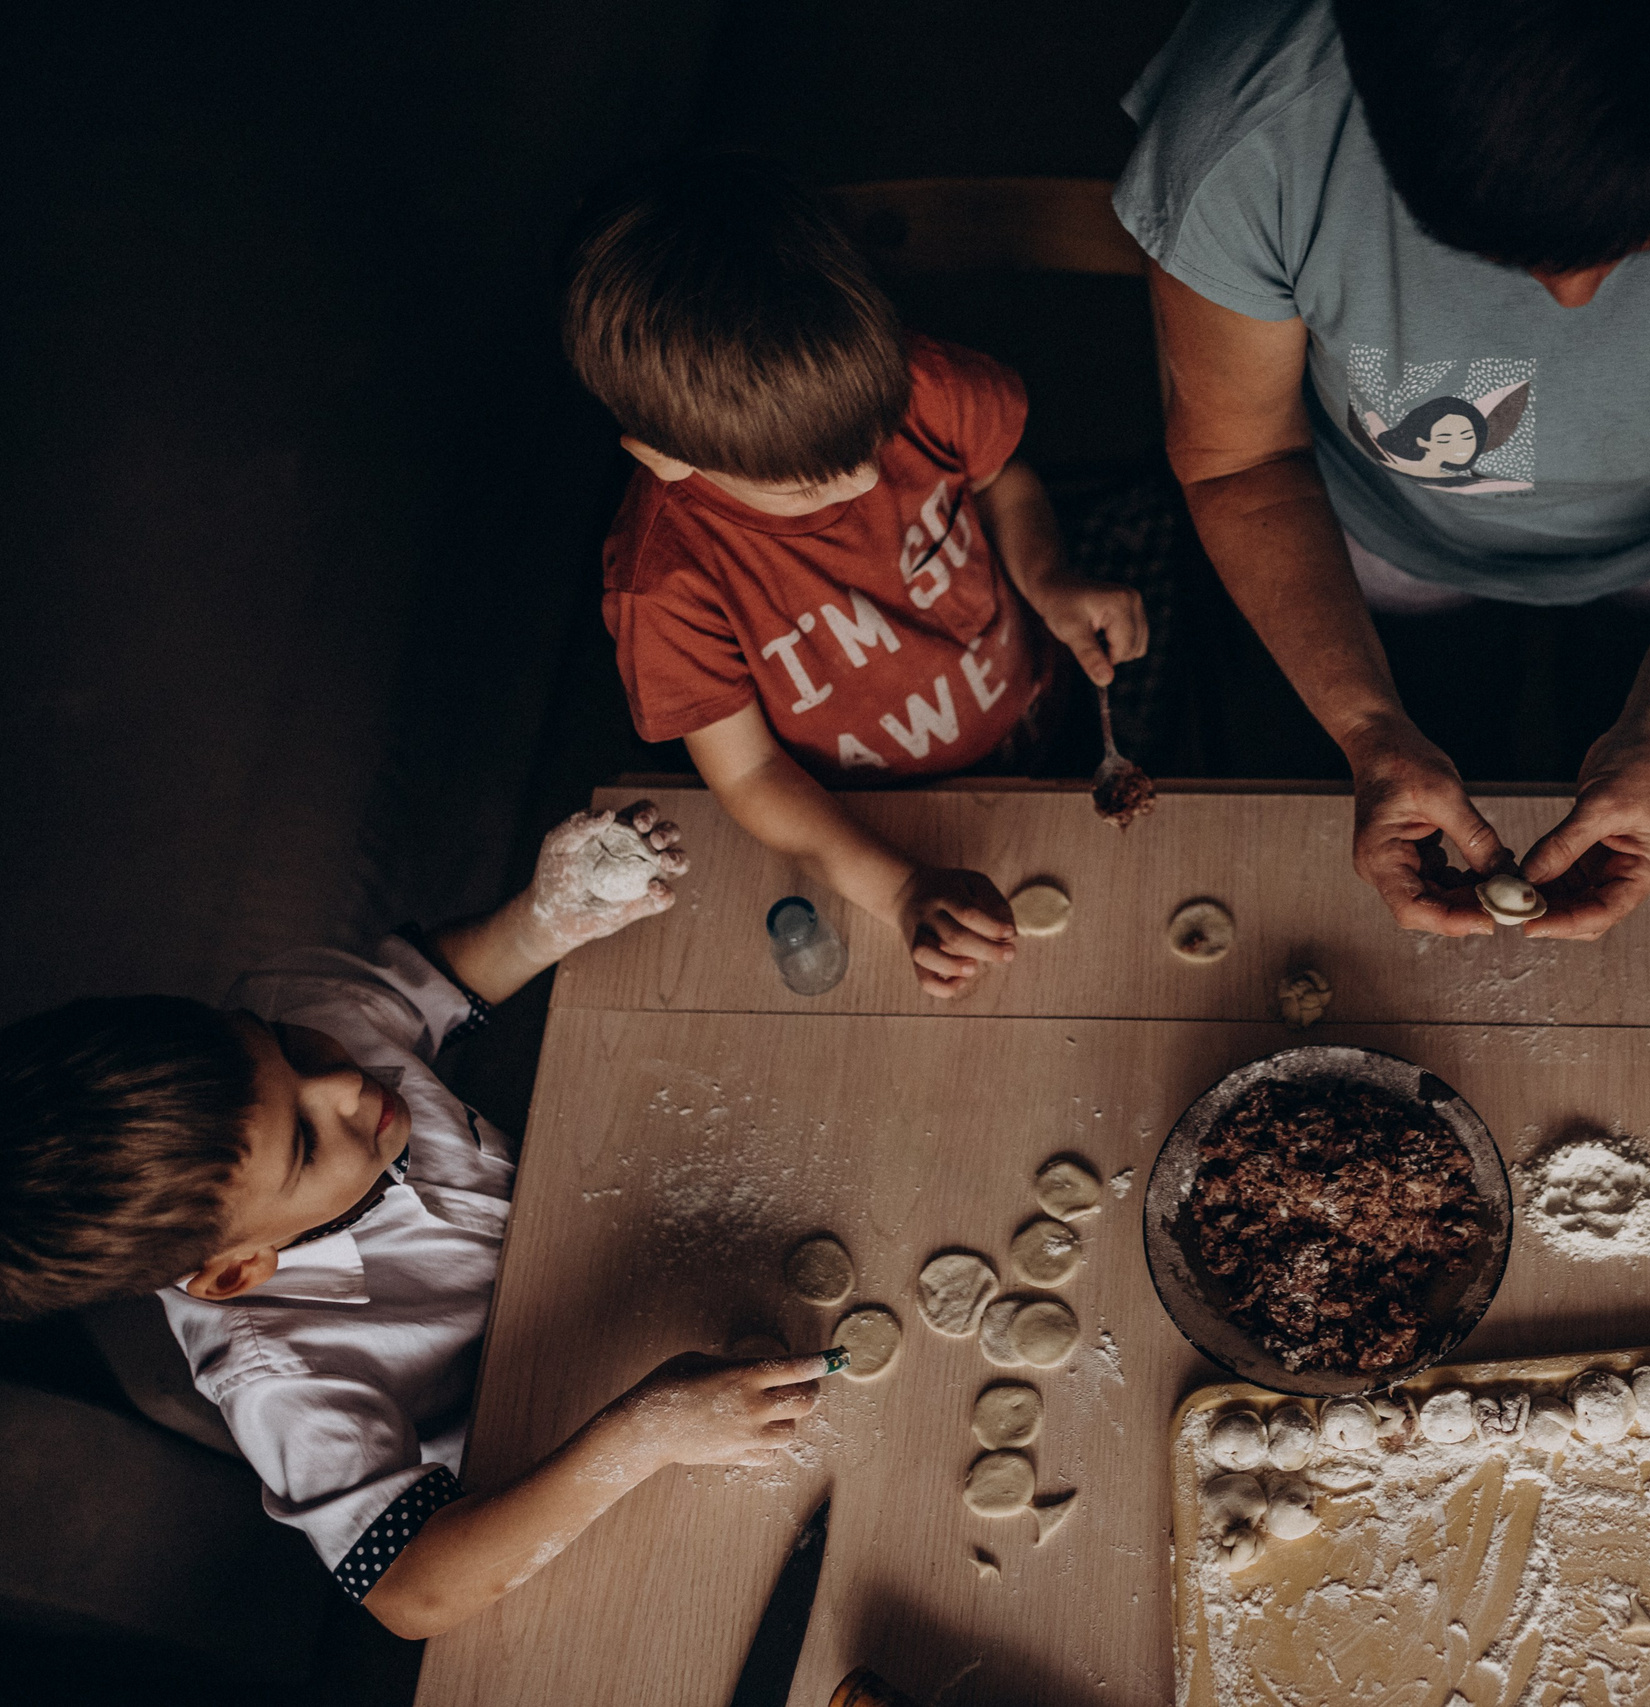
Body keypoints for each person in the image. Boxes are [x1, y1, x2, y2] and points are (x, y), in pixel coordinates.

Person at [1115, 0, 1650, 939]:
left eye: (1639, 236)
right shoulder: (1247, 130)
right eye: (1496, 249)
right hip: (1381, 544)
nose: (1571, 298)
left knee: (1613, 709)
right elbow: (1242, 457)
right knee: (1446, 703)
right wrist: (1368, 726)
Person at [0, 804, 828, 1638]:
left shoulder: (293, 1004)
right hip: (565, 1447)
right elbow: (412, 1590)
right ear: (237, 1270)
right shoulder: (277, 1370)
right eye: (305, 1142)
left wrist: (542, 917)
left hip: (605, 1241)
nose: (345, 1086)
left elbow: (441, 977)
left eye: (285, 1046)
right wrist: (642, 1437)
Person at [564, 153, 1150, 998]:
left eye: (873, 439)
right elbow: (750, 775)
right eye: (807, 485)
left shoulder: (926, 384)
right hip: (868, 823)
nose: (869, 481)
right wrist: (898, 890)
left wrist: (1049, 576)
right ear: (667, 456)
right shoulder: (665, 581)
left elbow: (999, 477)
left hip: (1036, 724)